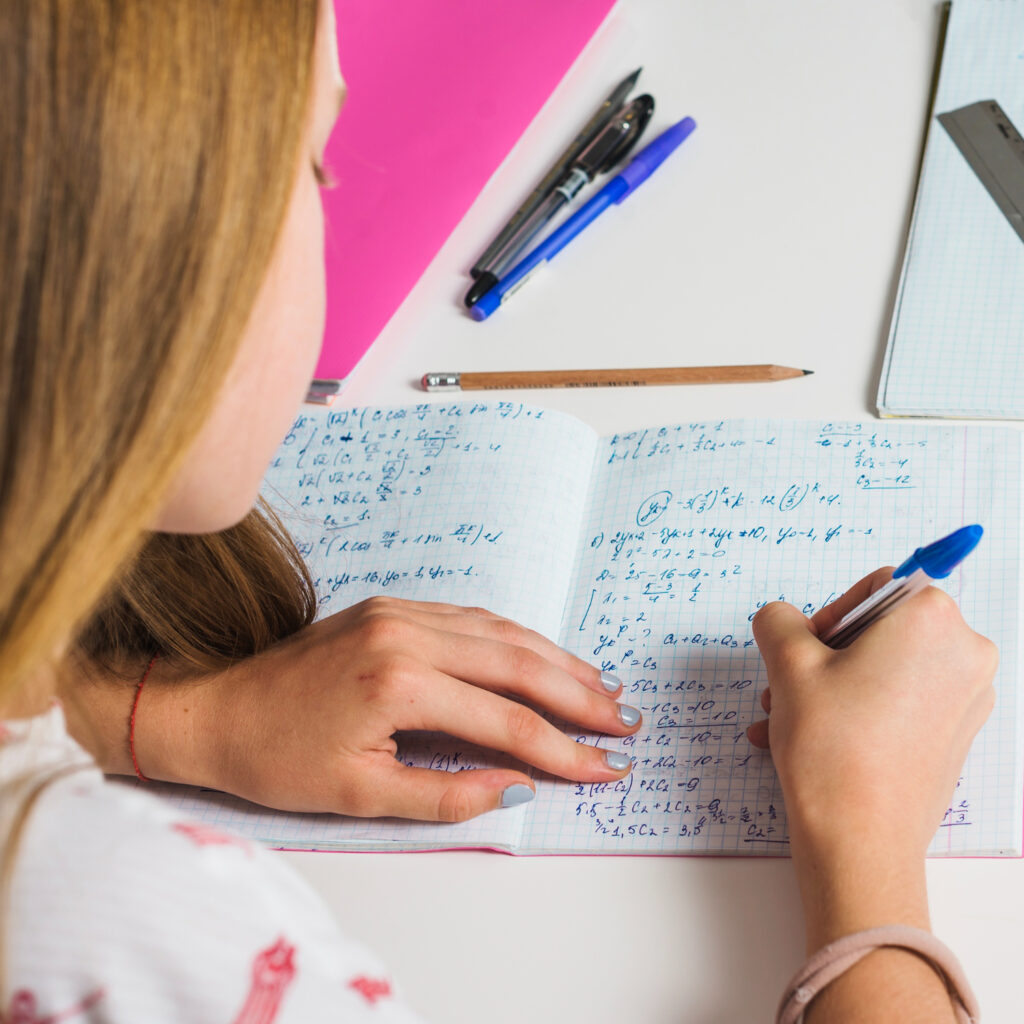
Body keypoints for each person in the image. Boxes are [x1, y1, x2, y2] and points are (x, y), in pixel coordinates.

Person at [0, 1, 997, 1021]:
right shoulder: (159, 940)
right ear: (131, 273)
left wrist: (164, 719)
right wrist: (868, 844)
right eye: (312, 170)